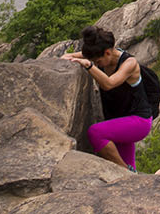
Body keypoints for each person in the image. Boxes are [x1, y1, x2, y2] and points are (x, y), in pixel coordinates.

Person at [64, 26, 153, 169]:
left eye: (98, 61)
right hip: (119, 122)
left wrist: (89, 66)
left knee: (96, 133)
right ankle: (130, 173)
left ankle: (125, 172)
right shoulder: (102, 54)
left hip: (138, 121)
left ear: (107, 52)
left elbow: (109, 84)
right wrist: (69, 57)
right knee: (129, 168)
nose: (97, 64)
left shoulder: (129, 63)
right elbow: (80, 55)